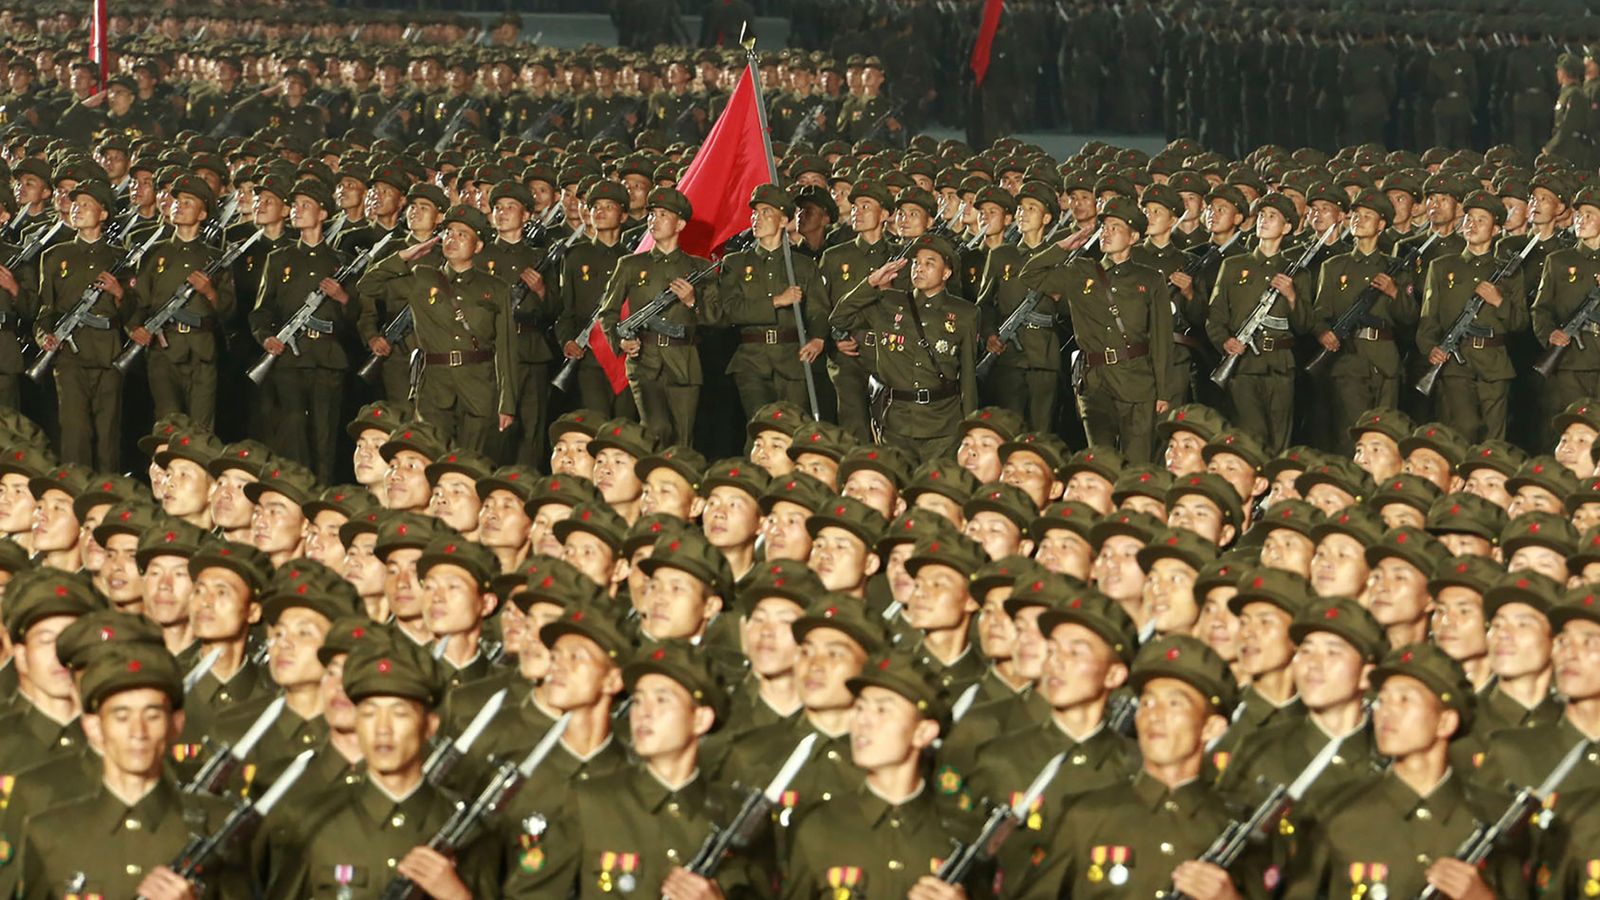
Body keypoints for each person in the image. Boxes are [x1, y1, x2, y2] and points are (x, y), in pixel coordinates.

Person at [358, 204, 516, 451]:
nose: (452, 239)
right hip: (433, 385)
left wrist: (507, 404)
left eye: (462, 235)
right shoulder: (422, 278)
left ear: (478, 246)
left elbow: (506, 350)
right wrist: (403, 257)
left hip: (479, 384)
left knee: (472, 461)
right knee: (431, 456)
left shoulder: (496, 288)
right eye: (449, 233)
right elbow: (367, 285)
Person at [831, 235, 977, 456]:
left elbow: (968, 378)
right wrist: (871, 282)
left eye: (929, 263)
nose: (919, 268)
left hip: (942, 424)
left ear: (946, 273)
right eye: (916, 263)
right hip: (895, 423)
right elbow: (839, 318)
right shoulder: (888, 303)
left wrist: (970, 428)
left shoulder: (965, 313)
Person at [597, 187, 715, 446]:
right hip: (644, 362)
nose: (654, 219)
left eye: (663, 214)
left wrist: (692, 301)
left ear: (680, 224)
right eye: (651, 214)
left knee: (683, 438)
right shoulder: (630, 265)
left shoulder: (700, 268)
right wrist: (620, 340)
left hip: (683, 361)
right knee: (656, 430)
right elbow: (607, 312)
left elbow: (716, 317)